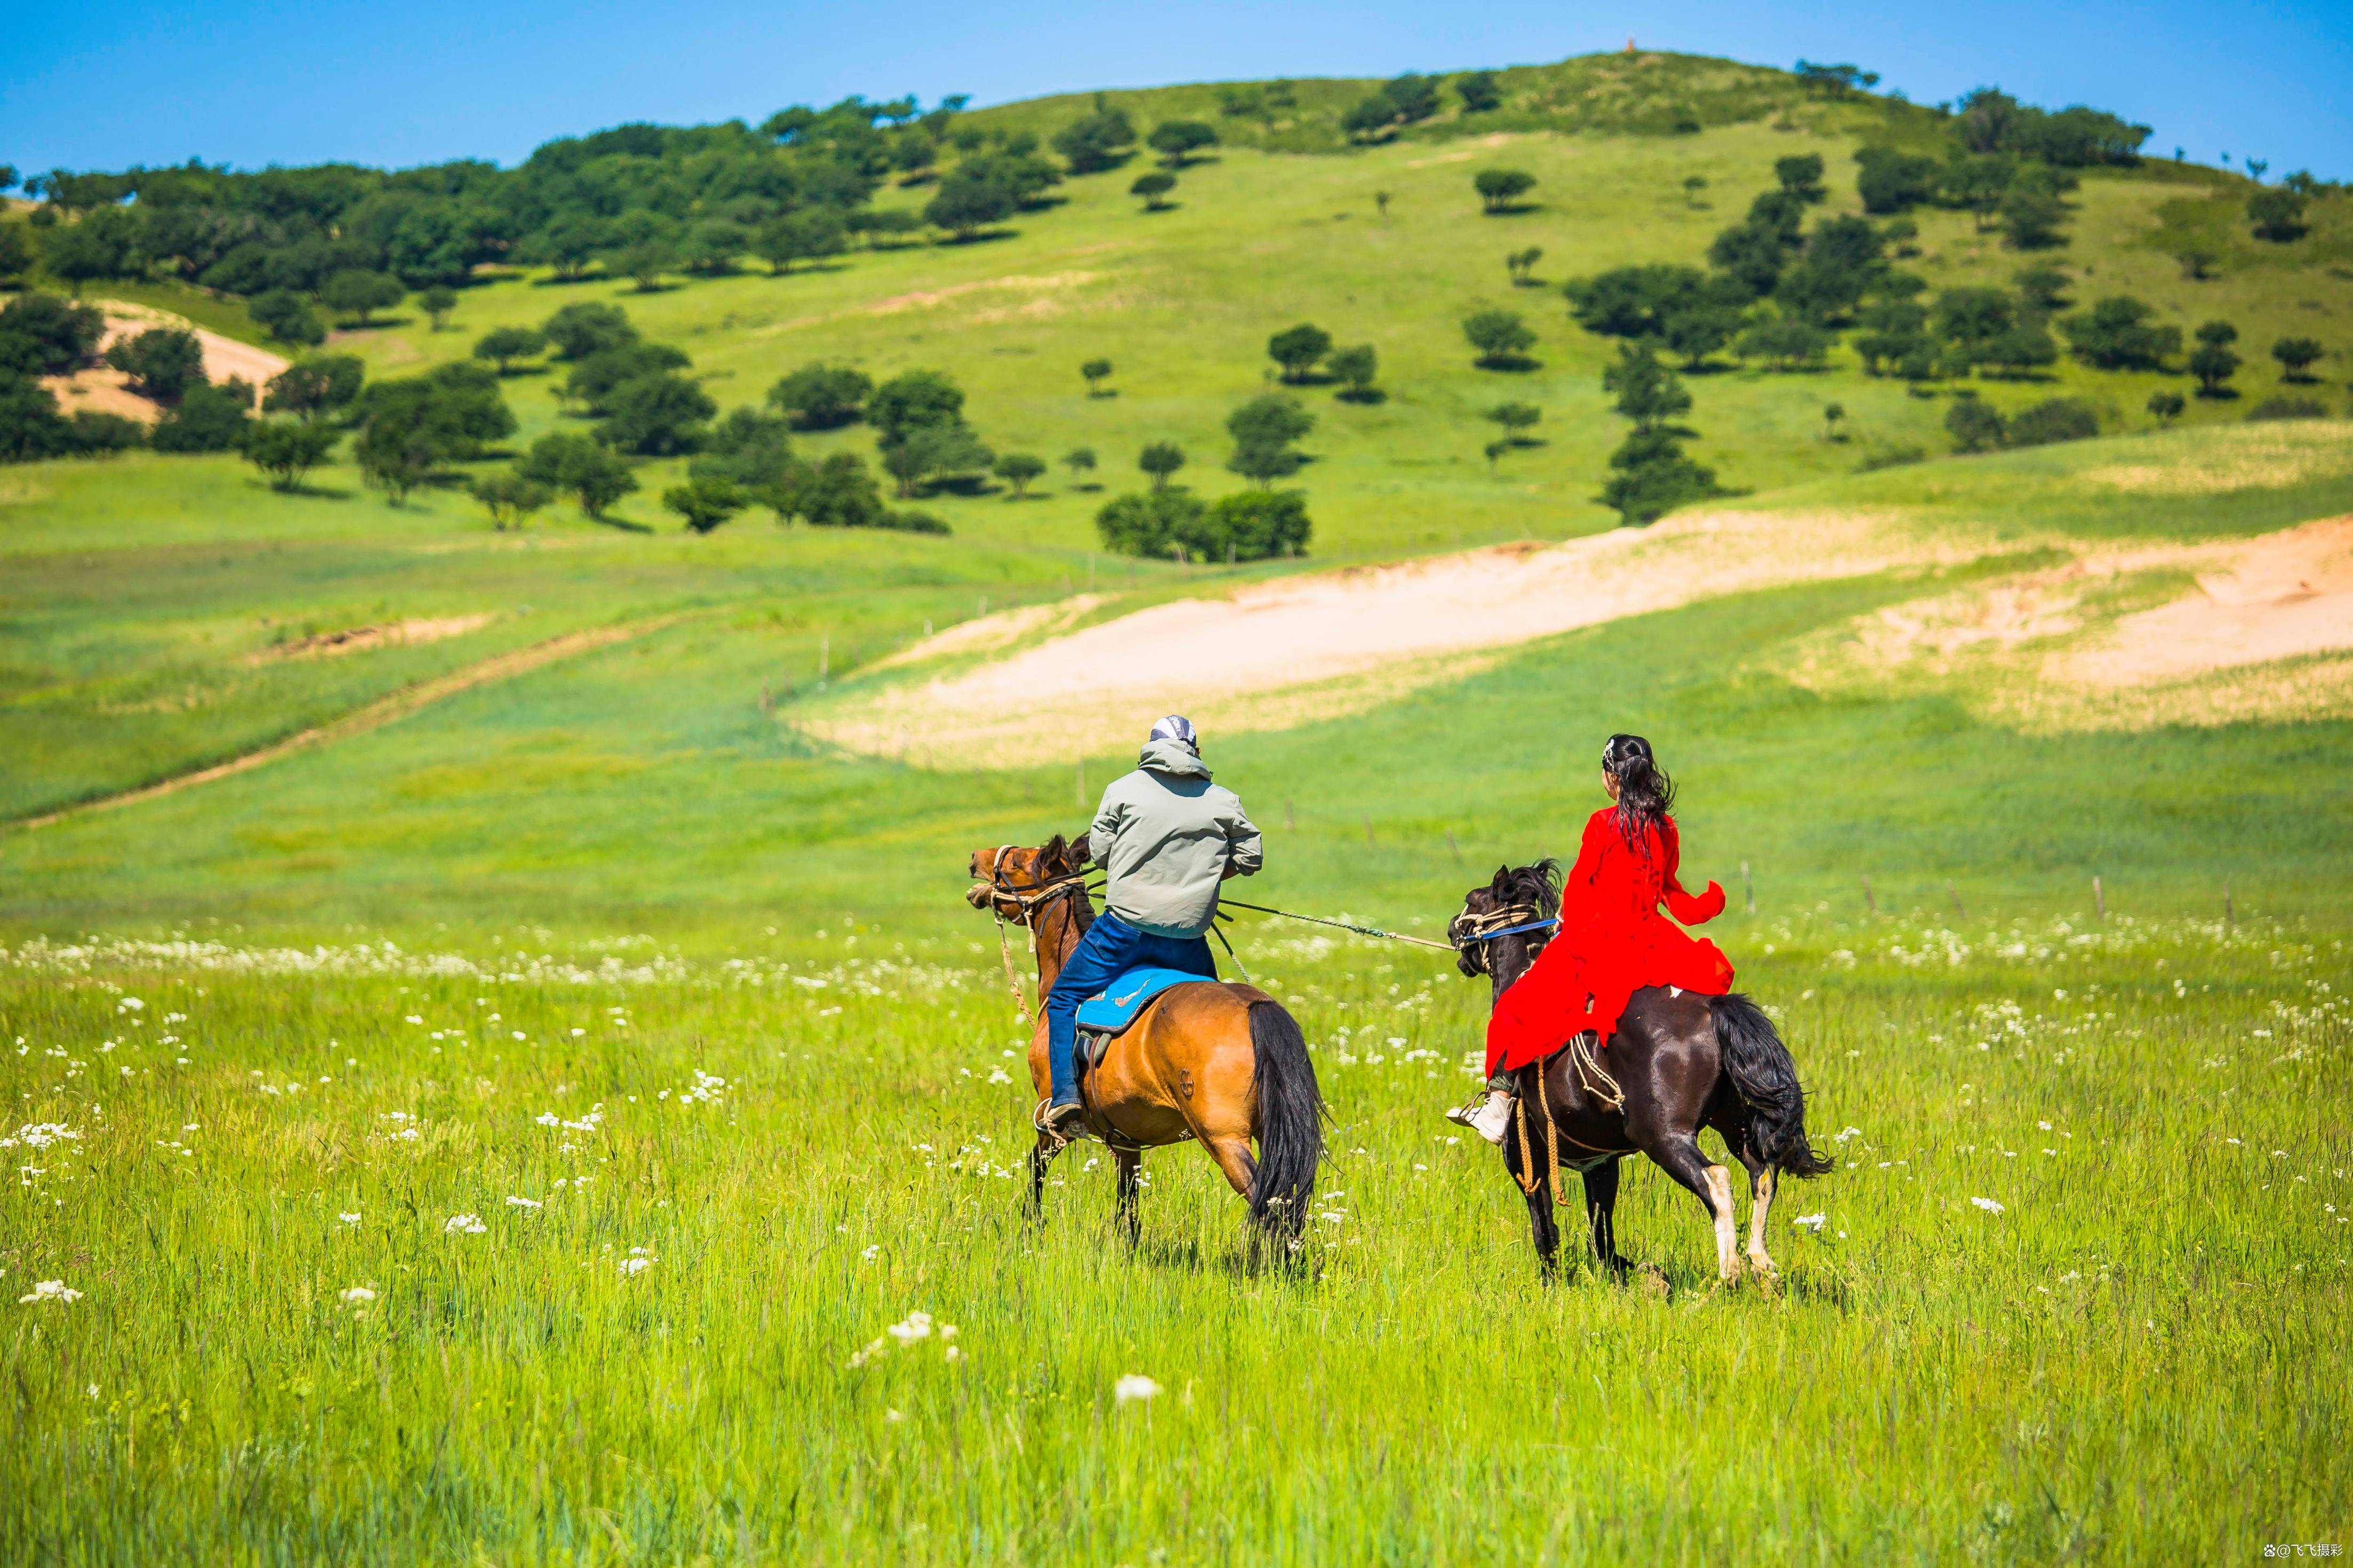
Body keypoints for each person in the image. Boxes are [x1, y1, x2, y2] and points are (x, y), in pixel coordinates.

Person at [1448, 733, 1734, 1144]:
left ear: (1612, 779)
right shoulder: (1665, 828)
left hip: (1601, 939)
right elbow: (1673, 894)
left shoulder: (1602, 823)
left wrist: (1566, 924)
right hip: (1654, 940)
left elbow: (1580, 887)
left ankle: (1497, 1106)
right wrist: (1708, 905)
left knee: (1515, 1005)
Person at [1039, 715, 1263, 1140]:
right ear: (1196, 750)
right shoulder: (1222, 799)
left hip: (1124, 932)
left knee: (1065, 996)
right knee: (1210, 1014)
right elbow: (1251, 858)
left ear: (1152, 747)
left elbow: (1102, 854)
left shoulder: (1122, 790)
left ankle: (1066, 1095)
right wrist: (1205, 876)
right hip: (1187, 940)